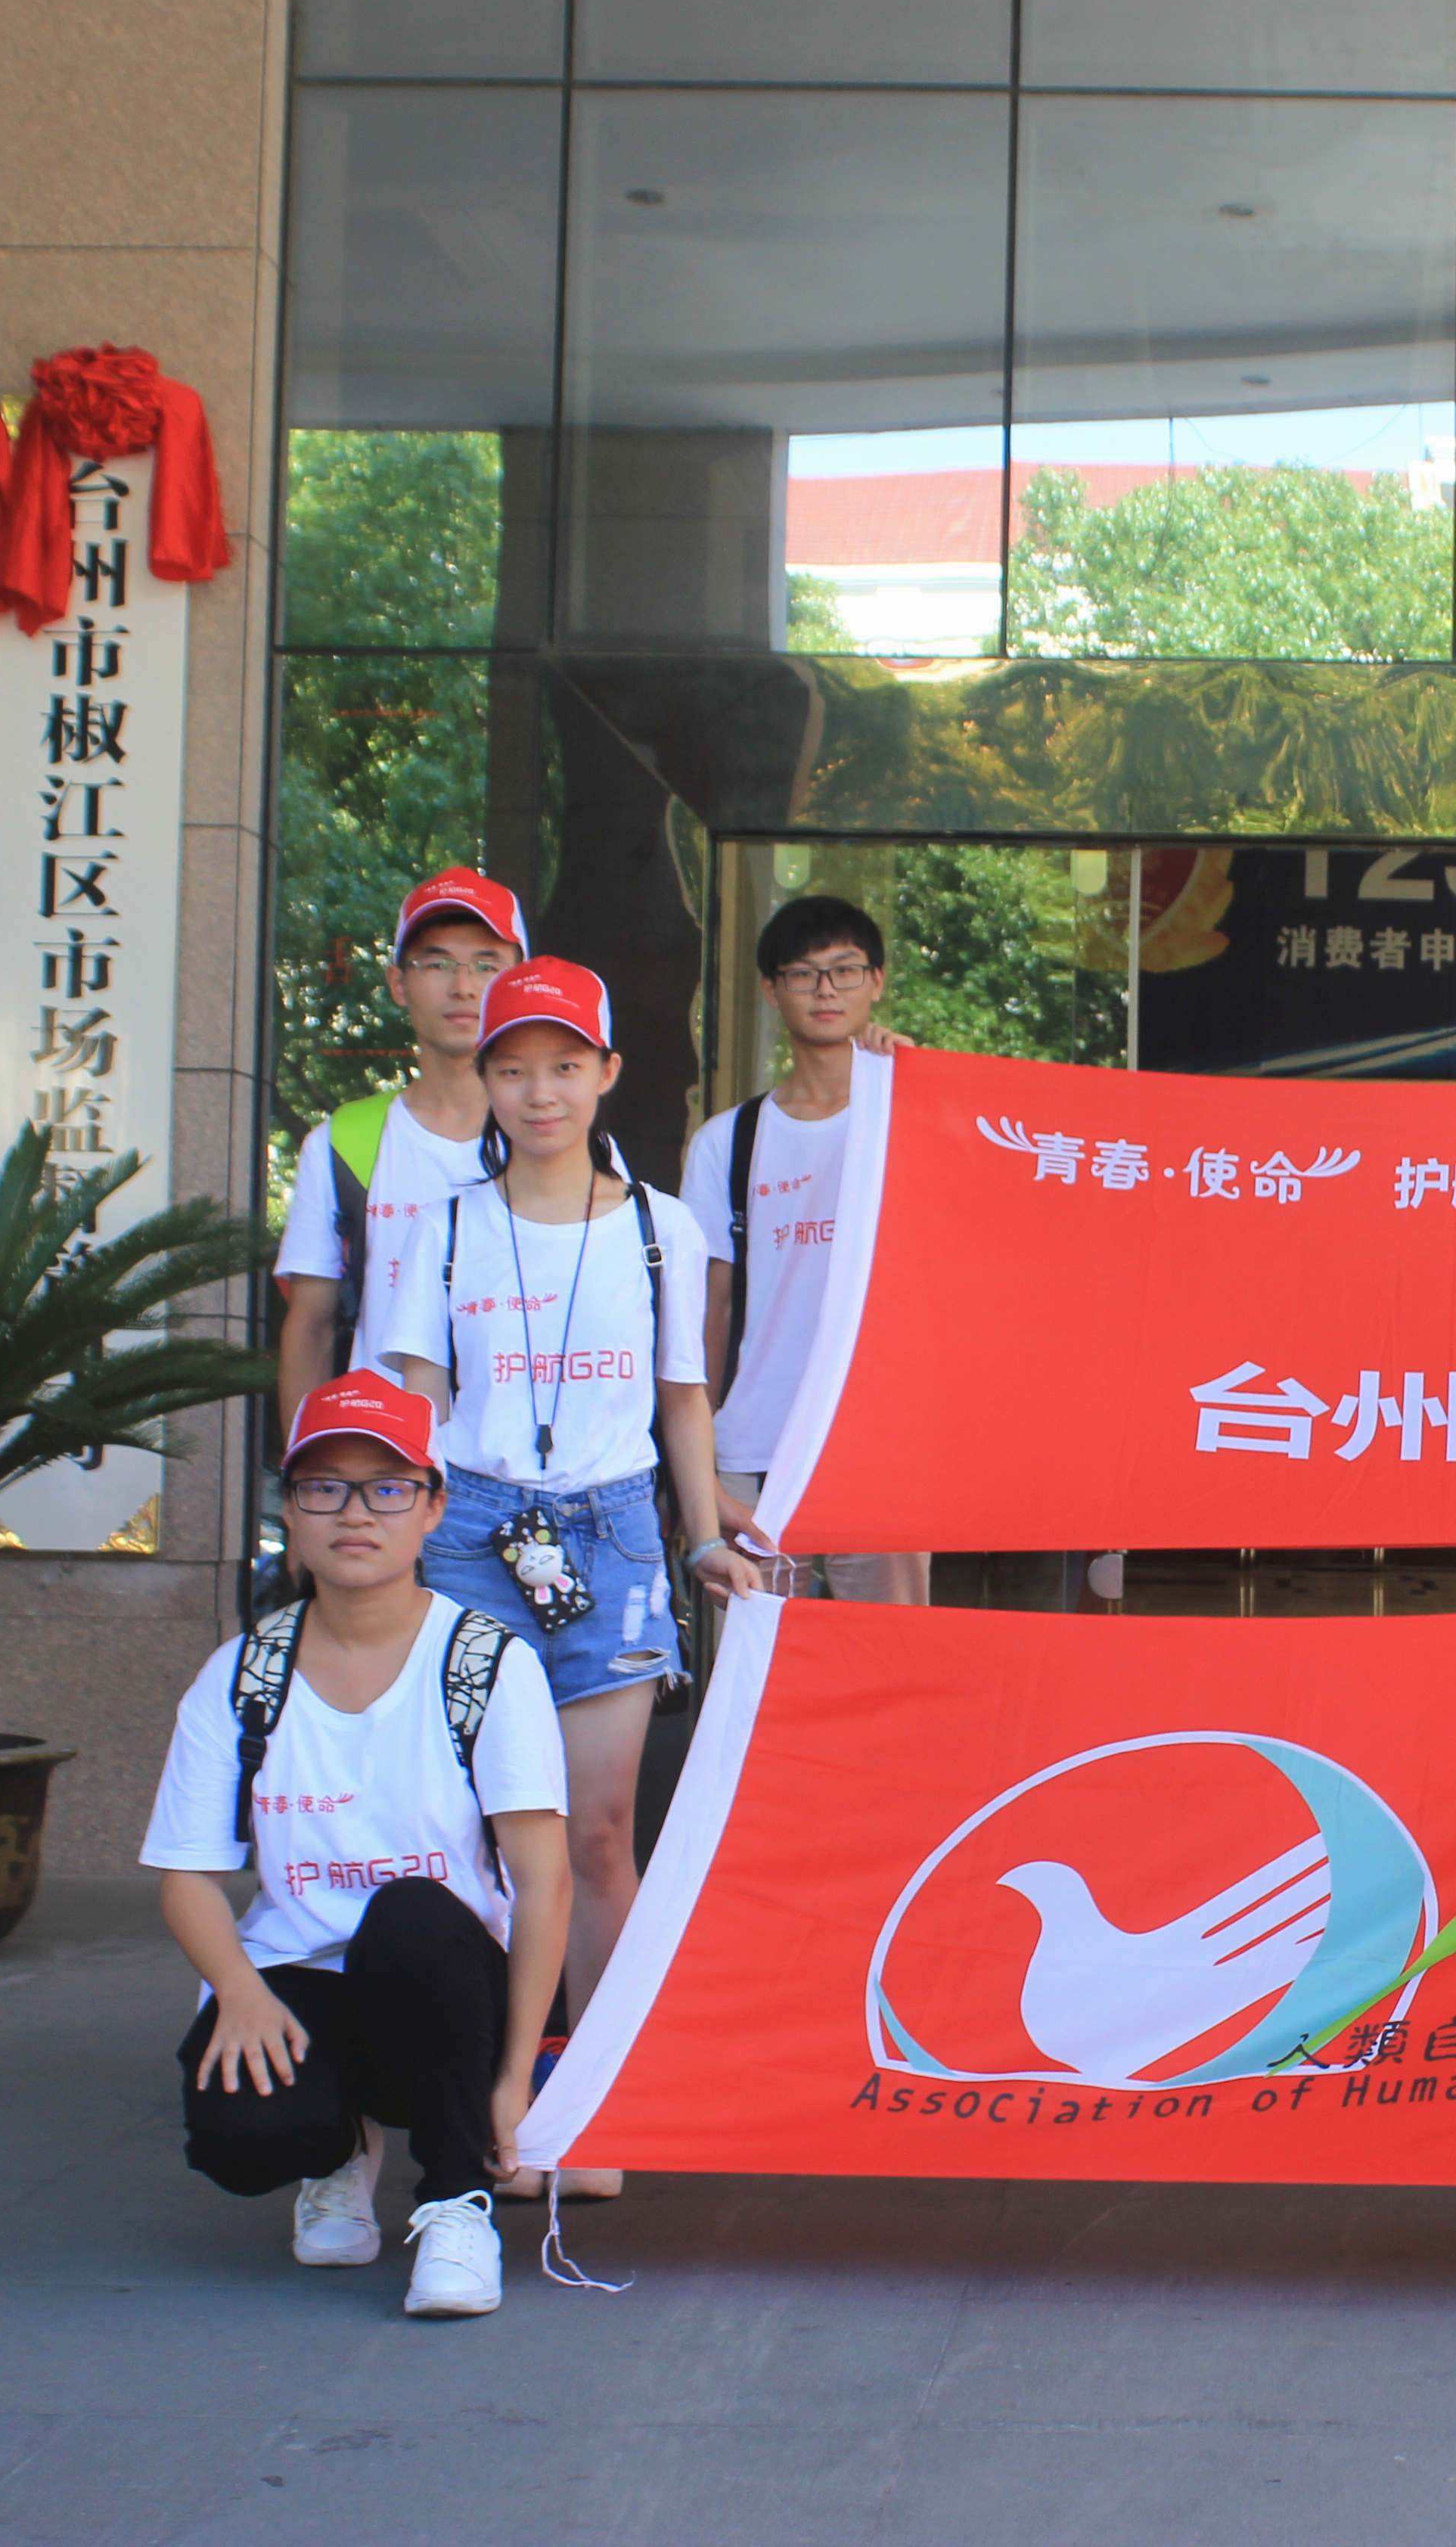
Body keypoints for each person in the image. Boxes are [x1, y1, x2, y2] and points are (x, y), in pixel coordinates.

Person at [377, 955, 762, 2201]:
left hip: (613, 1534)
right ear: (485, 1079)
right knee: (466, 1831)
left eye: (562, 1066)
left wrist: (701, 1539)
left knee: (597, 1831)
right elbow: (413, 1405)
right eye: (512, 1069)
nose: (538, 1093)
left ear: (606, 1073)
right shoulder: (443, 1228)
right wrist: (389, 1547)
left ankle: (591, 2106)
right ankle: (476, 2102)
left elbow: (682, 1402)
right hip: (466, 1534)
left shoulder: (661, 1228)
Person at [139, 1371, 573, 2319]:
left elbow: (545, 1882)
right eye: (324, 1487)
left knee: (412, 1915)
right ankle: (335, 2151)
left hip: (444, 1985)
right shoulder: (242, 1676)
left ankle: (455, 2205)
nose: (355, 1513)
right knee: (240, 2137)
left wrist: (514, 2079)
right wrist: (240, 1992)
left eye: (388, 1488)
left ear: (433, 1507)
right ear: (290, 1509)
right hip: (298, 1979)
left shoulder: (486, 1664)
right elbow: (186, 1876)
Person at [686, 895, 927, 1605]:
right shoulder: (727, 1141)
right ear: (771, 989)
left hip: (883, 1442)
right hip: (754, 1442)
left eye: (845, 970)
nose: (826, 990)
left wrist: (918, 1083)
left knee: (888, 1656)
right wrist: (694, 1458)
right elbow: (711, 1305)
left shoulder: (913, 1118)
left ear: (876, 981)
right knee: (752, 1658)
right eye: (803, 973)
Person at [272, 868, 528, 1437]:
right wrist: (307, 1466)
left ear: (518, 983)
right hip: (385, 1458)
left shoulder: (561, 1139)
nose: (463, 986)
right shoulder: (343, 1142)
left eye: (487, 965)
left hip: (529, 1463)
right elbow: (311, 1326)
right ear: (398, 983)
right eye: (437, 963)